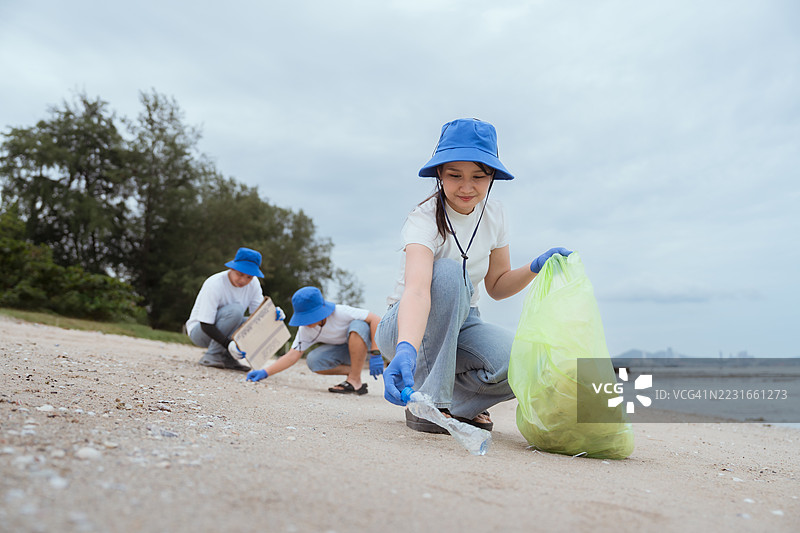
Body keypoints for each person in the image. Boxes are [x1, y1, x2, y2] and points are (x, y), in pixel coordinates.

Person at [376, 118, 571, 433]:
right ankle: (428, 404)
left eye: (478, 177)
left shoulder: (495, 214)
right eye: (454, 176)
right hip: (407, 324)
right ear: (439, 173)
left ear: (492, 176)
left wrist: (535, 266)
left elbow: (496, 285)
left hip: (464, 320)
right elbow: (416, 291)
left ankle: (455, 405)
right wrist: (405, 348)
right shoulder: (423, 219)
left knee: (520, 364)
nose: (466, 187)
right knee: (451, 272)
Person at [246, 286, 383, 395]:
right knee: (314, 360)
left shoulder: (341, 312)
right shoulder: (305, 329)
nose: (307, 321)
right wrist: (265, 372)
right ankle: (355, 374)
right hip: (344, 353)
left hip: (366, 348)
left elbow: (375, 319)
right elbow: (293, 355)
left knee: (358, 325)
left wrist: (376, 353)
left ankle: (354, 380)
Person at [186, 247, 284, 372]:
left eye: (249, 277)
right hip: (201, 332)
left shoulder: (254, 284)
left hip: (225, 331)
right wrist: (228, 344)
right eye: (240, 274)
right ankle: (212, 356)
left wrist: (273, 314)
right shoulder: (214, 283)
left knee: (257, 323)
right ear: (232, 268)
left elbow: (258, 316)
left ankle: (228, 359)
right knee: (236, 311)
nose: (243, 280)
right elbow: (206, 324)